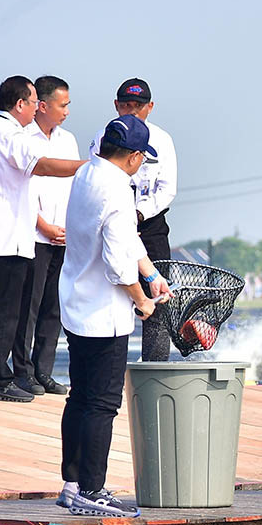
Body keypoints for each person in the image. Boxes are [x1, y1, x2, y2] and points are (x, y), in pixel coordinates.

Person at [58, 114, 170, 517]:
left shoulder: (87, 174)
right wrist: (142, 299)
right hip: (105, 312)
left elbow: (127, 240)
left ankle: (72, 484)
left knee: (81, 397)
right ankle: (92, 489)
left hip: (77, 301)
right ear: (135, 157)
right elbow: (118, 262)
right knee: (102, 404)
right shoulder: (119, 190)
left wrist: (153, 273)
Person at [0, 76, 86, 402]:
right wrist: (90, 167)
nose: (36, 109)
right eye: (34, 103)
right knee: (4, 313)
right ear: (20, 104)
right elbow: (43, 166)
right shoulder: (9, 133)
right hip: (5, 237)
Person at [90, 78, 177, 361]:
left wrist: (139, 215)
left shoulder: (162, 140)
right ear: (116, 106)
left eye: (138, 106)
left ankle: (155, 362)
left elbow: (168, 189)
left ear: (150, 107)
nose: (132, 111)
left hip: (149, 223)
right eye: (126, 105)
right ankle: (109, 360)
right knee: (112, 289)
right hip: (111, 219)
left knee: (159, 294)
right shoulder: (104, 136)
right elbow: (97, 179)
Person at [11, 76, 79, 396]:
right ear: (43, 105)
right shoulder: (23, 138)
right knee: (30, 306)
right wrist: (43, 225)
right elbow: (21, 188)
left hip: (63, 235)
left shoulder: (68, 140)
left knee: (54, 306)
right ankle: (21, 372)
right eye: (62, 104)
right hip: (34, 235)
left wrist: (69, 227)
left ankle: (44, 371)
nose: (67, 110)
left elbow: (73, 187)